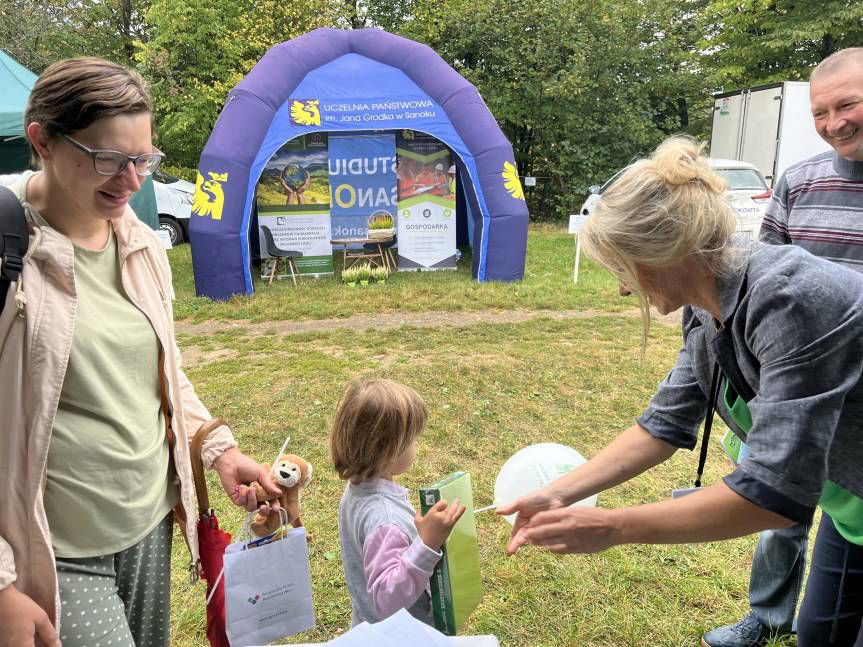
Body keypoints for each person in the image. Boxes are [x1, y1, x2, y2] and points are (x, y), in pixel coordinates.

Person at [498, 136, 863, 647]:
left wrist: (614, 528)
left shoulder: (788, 299)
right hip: (853, 512)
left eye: (622, 268)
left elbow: (774, 495)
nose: (624, 288)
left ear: (662, 252)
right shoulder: (704, 307)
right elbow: (664, 424)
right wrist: (559, 492)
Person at [0, 57, 281, 647]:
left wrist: (219, 452)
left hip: (149, 525)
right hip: (56, 550)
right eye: (108, 158)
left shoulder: (142, 246)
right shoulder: (7, 246)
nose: (130, 180)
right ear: (42, 141)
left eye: (143, 160)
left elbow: (162, 373)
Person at [703, 47, 863, 647]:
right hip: (792, 380)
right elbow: (756, 274)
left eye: (848, 104)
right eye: (821, 112)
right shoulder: (800, 181)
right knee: (777, 504)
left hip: (859, 396)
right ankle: (768, 615)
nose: (835, 122)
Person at [330, 378, 466, 627]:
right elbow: (386, 599)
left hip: (367, 623)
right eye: (413, 439)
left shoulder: (357, 489)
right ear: (387, 450)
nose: (417, 445)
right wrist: (427, 543)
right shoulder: (384, 517)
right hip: (400, 633)